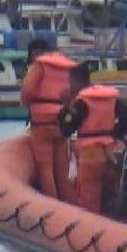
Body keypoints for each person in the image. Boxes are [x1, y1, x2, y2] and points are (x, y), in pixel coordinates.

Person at [59, 65, 127, 214]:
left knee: (89, 200)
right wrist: (112, 134)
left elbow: (67, 128)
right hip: (110, 153)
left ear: (75, 81)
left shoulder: (82, 102)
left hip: (90, 156)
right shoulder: (108, 98)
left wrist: (65, 109)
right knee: (110, 195)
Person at [20, 39, 77, 202]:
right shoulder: (67, 67)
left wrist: (27, 103)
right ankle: (70, 204)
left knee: (45, 168)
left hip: (42, 123)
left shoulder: (38, 67)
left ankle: (52, 205)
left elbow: (27, 93)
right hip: (61, 121)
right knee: (62, 168)